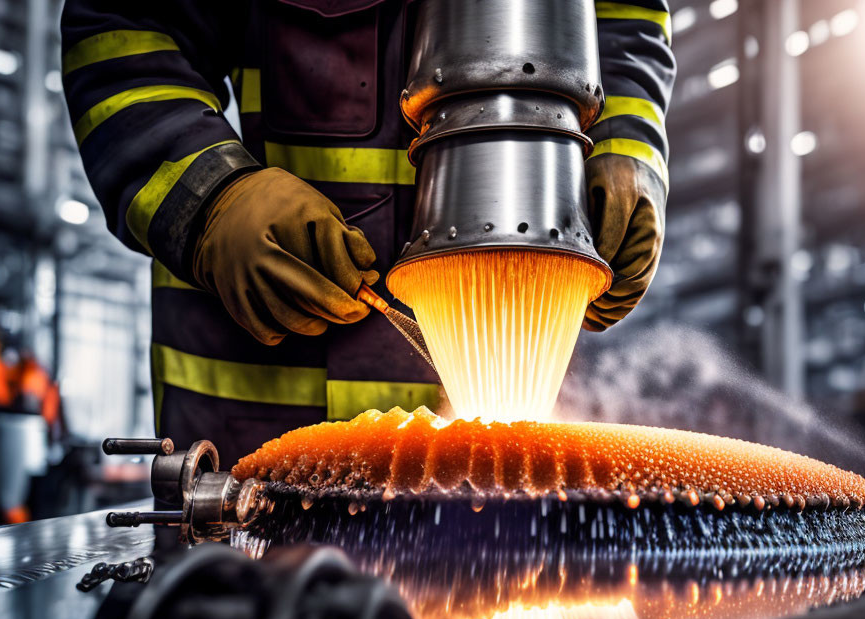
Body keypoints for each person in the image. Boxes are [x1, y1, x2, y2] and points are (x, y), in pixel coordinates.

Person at [61, 1, 675, 466]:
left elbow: (623, 22)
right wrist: (212, 200)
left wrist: (625, 152)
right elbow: (124, 29)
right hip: (256, 435)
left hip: (479, 474)